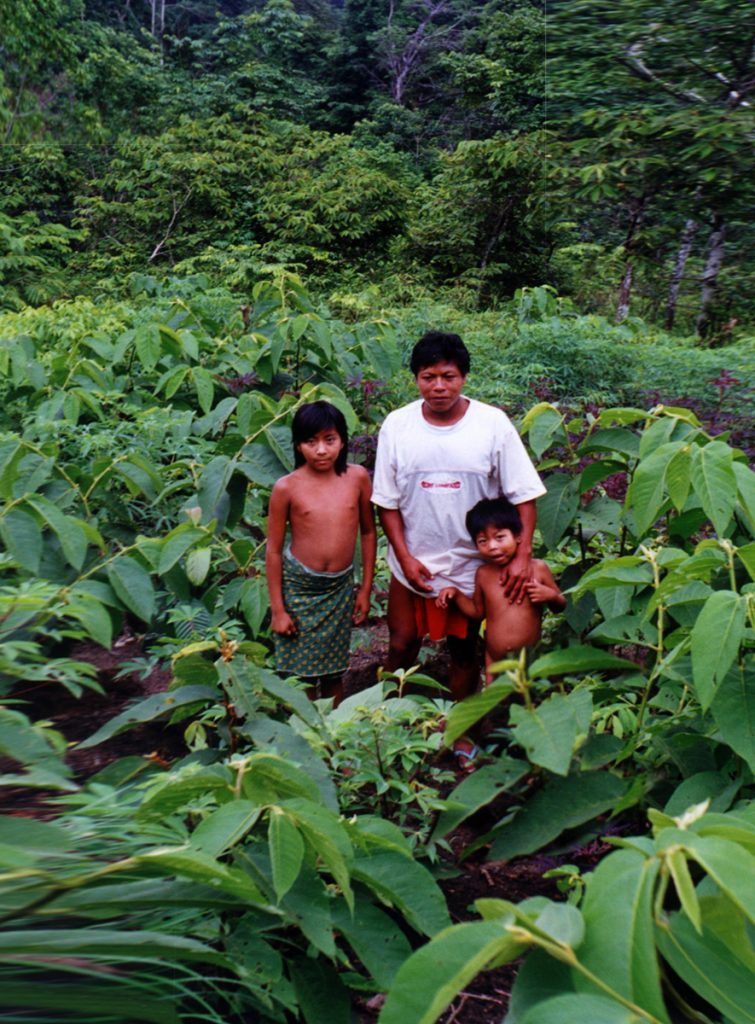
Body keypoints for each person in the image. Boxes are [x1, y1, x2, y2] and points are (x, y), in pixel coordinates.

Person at [371, 330, 546, 704]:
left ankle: (460, 729)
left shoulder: (492, 424)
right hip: (413, 561)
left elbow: (524, 494)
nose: (438, 387)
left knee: (464, 652)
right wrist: (404, 557)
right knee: (401, 643)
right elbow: (387, 503)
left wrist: (522, 555)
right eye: (428, 377)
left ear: (464, 377)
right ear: (416, 378)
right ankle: (382, 720)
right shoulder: (397, 426)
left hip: (472, 566)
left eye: (448, 377)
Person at [266, 400, 376, 706]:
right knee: (299, 674)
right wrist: (278, 610)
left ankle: (334, 729)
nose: (321, 450)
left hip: (339, 589)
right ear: (298, 445)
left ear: (343, 441)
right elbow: (273, 551)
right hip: (299, 590)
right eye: (310, 442)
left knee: (333, 673)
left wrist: (365, 589)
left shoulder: (357, 478)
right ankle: (305, 728)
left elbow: (368, 532)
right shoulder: (286, 488)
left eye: (329, 440)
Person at [436, 496, 566, 677]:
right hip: (495, 661)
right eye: (483, 541)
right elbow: (478, 612)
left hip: (529, 661)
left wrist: (550, 596)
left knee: (528, 694)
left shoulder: (538, 569)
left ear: (519, 536)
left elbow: (561, 605)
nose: (492, 546)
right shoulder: (483, 574)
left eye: (500, 537)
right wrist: (456, 594)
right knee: (496, 696)